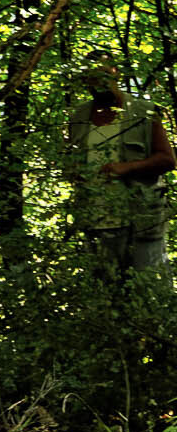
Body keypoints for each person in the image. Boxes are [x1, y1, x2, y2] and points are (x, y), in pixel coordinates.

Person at [66, 52, 175, 271]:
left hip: (142, 219)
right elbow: (70, 163)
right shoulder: (79, 117)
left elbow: (167, 160)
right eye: (92, 76)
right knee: (105, 285)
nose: (99, 81)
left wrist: (126, 168)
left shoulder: (144, 111)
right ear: (85, 81)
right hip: (95, 220)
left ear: (116, 73)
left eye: (104, 74)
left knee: (149, 283)